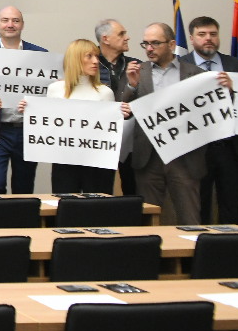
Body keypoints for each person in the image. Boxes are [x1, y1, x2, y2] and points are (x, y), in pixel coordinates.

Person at [111, 22, 218, 225]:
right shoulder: (138, 72)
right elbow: (121, 108)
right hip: (148, 157)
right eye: (146, 44)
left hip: (184, 158)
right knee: (149, 219)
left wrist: (227, 90)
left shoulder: (194, 73)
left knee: (190, 218)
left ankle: (190, 256)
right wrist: (131, 86)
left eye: (155, 43)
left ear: (171, 44)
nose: (149, 49)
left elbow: (212, 108)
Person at [0, 5, 48, 193]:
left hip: (27, 130)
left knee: (24, 186)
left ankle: (22, 222)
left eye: (15, 20)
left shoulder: (41, 55)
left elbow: (50, 97)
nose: (10, 25)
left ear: (22, 25)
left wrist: (51, 87)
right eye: (5, 20)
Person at [182, 15, 238, 225]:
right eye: (202, 35)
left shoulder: (237, 65)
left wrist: (235, 88)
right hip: (196, 149)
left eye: (213, 34)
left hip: (231, 148)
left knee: (232, 206)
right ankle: (198, 254)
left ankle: (232, 254)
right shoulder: (179, 65)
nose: (208, 39)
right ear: (192, 39)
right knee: (198, 207)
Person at [42, 38, 127, 194]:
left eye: (97, 56)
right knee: (65, 205)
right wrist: (29, 110)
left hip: (97, 162)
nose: (96, 61)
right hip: (65, 159)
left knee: (97, 208)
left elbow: (109, 131)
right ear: (75, 59)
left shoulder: (105, 92)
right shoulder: (55, 89)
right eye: (89, 56)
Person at [94, 19, 139, 195]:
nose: (127, 37)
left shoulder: (136, 65)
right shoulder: (90, 64)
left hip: (130, 140)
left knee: (132, 189)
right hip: (98, 139)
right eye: (121, 34)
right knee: (100, 189)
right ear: (105, 39)